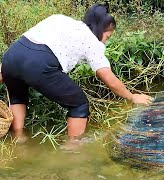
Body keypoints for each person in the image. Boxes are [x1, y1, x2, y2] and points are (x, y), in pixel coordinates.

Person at [1, 3, 152, 147]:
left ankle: (18, 137)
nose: (105, 42)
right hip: (39, 65)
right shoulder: (92, 41)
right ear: (101, 30)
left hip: (11, 57)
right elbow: (107, 76)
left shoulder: (59, 18)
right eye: (107, 37)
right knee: (79, 104)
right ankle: (72, 147)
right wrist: (132, 96)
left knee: (18, 96)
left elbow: (27, 49)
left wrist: (5, 72)